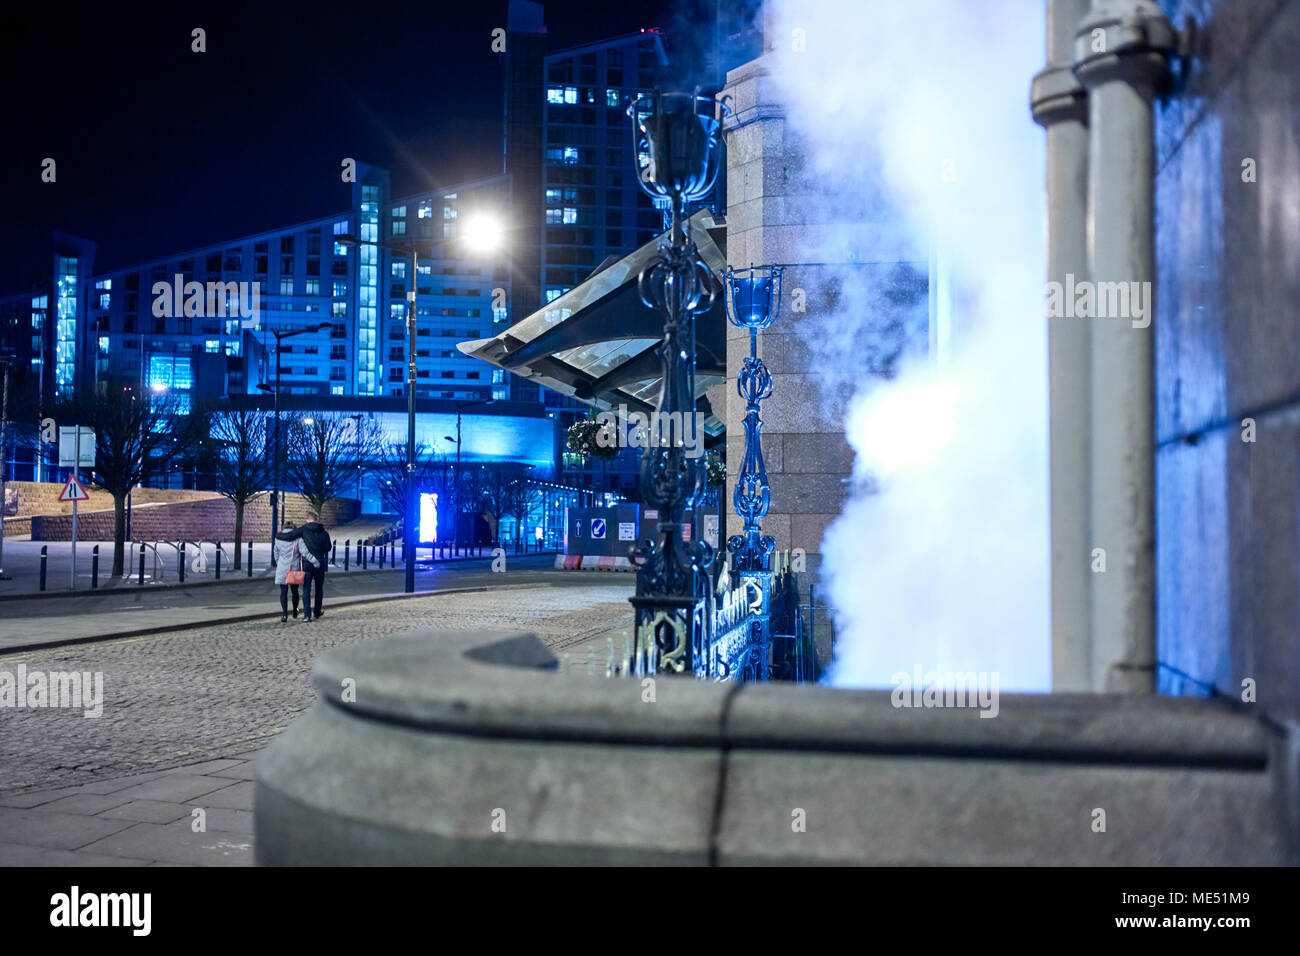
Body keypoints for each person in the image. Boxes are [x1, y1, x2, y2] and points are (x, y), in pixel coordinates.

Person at [283, 519, 332, 619]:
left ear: (308, 520)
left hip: (307, 563)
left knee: (306, 589)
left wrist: (278, 535)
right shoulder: (324, 533)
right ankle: (317, 611)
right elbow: (328, 547)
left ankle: (307, 615)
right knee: (319, 589)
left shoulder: (304, 530)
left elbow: (292, 537)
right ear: (317, 521)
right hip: (320, 562)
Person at [274, 524, 320, 622]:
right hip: (294, 569)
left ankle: (284, 615)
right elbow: (305, 553)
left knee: (283, 592)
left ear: (283, 529)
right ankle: (295, 610)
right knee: (295, 592)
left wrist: (279, 563)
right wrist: (315, 561)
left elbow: (276, 553)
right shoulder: (298, 539)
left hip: (282, 568)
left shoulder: (278, 539)